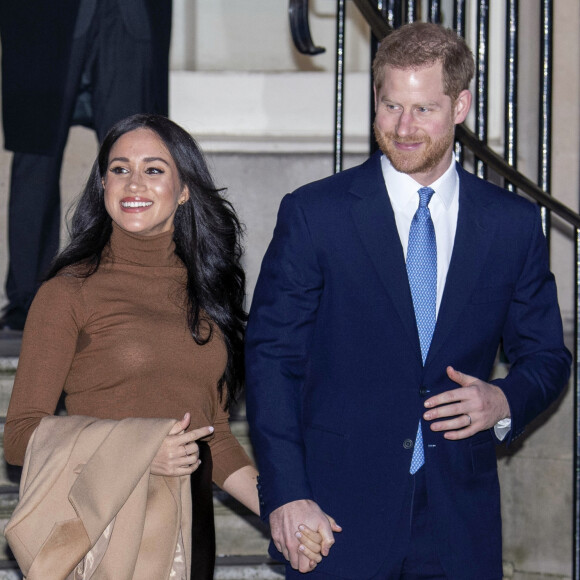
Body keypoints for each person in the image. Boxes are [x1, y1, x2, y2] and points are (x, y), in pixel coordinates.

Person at [245, 22, 571, 579]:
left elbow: (546, 357)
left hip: (458, 523)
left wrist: (503, 401)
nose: (403, 127)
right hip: (333, 519)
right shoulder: (315, 214)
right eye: (391, 105)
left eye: (423, 109)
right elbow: (271, 359)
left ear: (461, 104)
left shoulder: (510, 226)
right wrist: (286, 494)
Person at [3, 114, 323, 577]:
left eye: (154, 169)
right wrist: (139, 448)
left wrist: (281, 512)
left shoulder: (209, 293)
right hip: (104, 531)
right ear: (103, 184)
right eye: (119, 169)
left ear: (185, 188)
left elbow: (213, 433)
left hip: (189, 526)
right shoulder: (68, 292)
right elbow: (20, 438)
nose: (134, 183)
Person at [0, 0, 172, 330]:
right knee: (36, 155)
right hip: (43, 16)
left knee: (135, 151)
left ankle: (135, 286)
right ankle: (27, 297)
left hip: (128, 12)